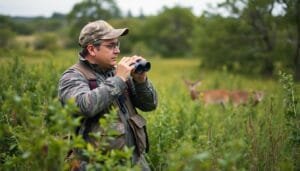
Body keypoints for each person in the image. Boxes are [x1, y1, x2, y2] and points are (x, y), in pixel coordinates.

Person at [58, 20, 158, 170]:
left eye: (117, 44)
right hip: (97, 165)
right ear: (92, 49)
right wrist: (118, 80)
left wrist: (140, 80)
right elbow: (83, 106)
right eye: (111, 46)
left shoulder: (117, 71)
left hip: (134, 161)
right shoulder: (72, 77)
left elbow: (150, 105)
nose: (117, 50)